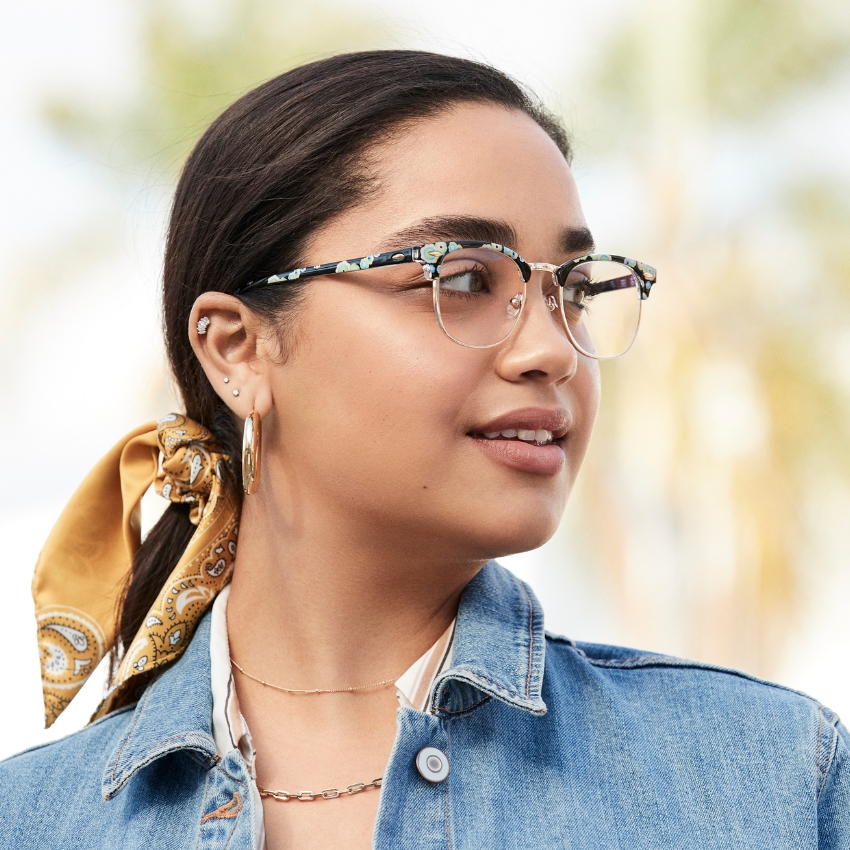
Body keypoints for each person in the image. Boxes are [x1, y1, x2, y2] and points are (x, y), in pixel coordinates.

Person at [0, 50, 846, 850]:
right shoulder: (32, 821)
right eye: (465, 279)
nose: (552, 350)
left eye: (574, 292)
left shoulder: (767, 782)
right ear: (238, 351)